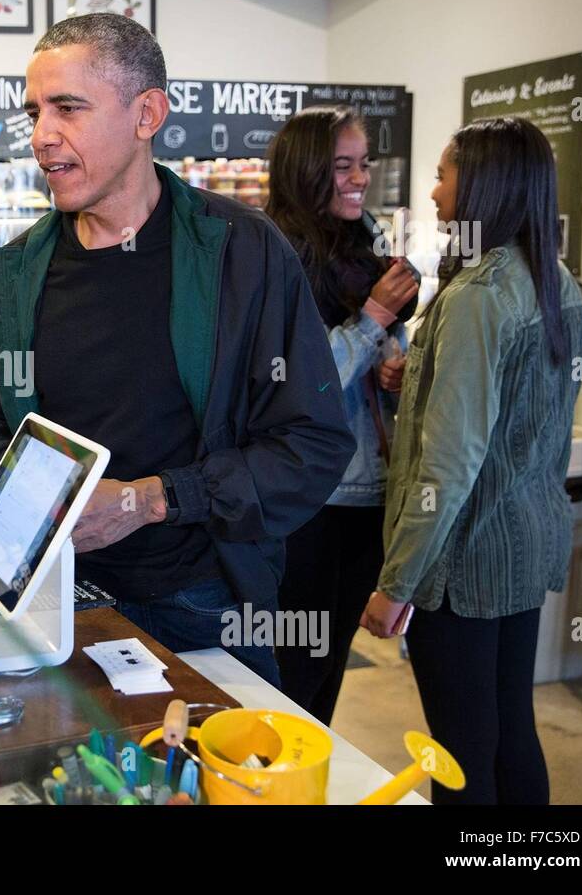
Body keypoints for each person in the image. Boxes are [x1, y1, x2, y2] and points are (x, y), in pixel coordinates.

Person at [0, 14, 354, 684]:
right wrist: (45, 501)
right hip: (49, 602)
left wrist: (153, 498)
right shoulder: (17, 273)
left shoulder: (242, 256)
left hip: (204, 605)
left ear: (147, 114)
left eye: (68, 108)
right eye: (35, 112)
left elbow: (312, 444)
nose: (42, 136)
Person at [360, 117, 582, 804]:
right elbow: (523, 413)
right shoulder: (556, 281)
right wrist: (422, 380)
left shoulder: (479, 297)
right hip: (524, 544)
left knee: (458, 753)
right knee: (510, 728)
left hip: (464, 563)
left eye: (443, 175)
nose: (432, 193)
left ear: (483, 183)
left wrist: (396, 582)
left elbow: (449, 466)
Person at [264, 106, 420, 724]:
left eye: (364, 166)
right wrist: (373, 323)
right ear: (307, 172)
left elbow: (384, 347)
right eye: (342, 167)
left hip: (368, 493)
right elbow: (298, 381)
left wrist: (395, 365)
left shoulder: (369, 240)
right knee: (296, 666)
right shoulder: (275, 255)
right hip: (308, 498)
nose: (359, 180)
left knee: (329, 671)